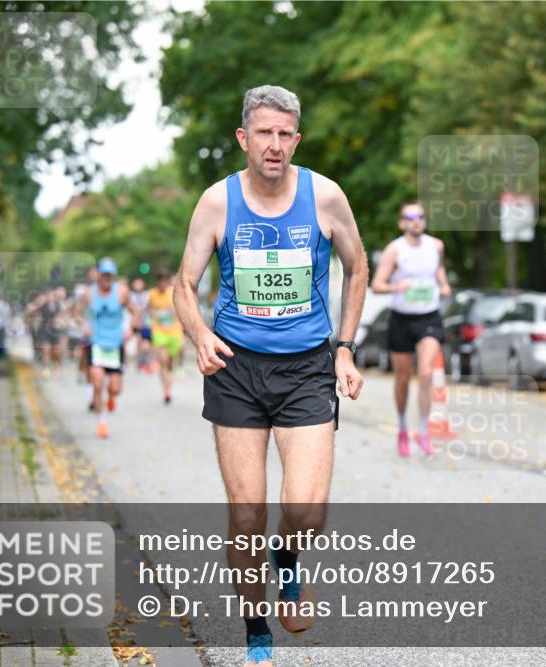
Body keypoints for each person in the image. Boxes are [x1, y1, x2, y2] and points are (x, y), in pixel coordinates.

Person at [173, 85, 367, 667]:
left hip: (308, 367)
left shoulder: (325, 197)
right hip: (235, 368)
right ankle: (256, 626)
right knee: (247, 512)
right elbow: (184, 286)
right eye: (264, 133)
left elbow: (357, 268)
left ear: (296, 139)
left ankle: (287, 561)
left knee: (305, 511)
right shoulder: (217, 202)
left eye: (285, 134)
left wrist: (346, 349)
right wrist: (201, 336)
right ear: (244, 138)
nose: (275, 145)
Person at [371, 201, 452, 457]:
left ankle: (424, 431)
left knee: (426, 373)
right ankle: (403, 425)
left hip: (428, 316)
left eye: (420, 216)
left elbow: (438, 268)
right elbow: (377, 285)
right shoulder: (394, 251)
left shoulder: (436, 246)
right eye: (410, 217)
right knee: (403, 378)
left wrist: (444, 284)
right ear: (402, 223)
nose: (416, 220)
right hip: (401, 318)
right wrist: (398, 288)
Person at [74, 258, 140, 439]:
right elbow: (76, 313)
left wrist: (130, 329)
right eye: (103, 274)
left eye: (109, 275)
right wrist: (83, 325)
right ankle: (102, 422)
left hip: (116, 343)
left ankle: (111, 397)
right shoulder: (89, 293)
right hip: (96, 342)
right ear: (98, 275)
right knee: (97, 382)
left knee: (115, 389)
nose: (106, 278)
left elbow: (135, 311)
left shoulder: (121, 292)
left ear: (113, 276)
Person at [148, 270, 184, 404]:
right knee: (162, 361)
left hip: (174, 332)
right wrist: (156, 313)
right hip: (159, 331)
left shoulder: (173, 292)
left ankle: (173, 372)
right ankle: (167, 391)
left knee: (170, 362)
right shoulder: (152, 294)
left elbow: (181, 308)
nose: (162, 284)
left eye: (164, 281)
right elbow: (149, 308)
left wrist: (173, 312)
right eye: (160, 281)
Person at [129, 277, 154, 372]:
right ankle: (139, 361)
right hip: (135, 321)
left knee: (147, 341)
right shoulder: (130, 295)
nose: (138, 286)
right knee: (138, 341)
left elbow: (149, 307)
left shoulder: (146, 295)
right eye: (136, 284)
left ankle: (148, 361)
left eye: (140, 284)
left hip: (146, 321)